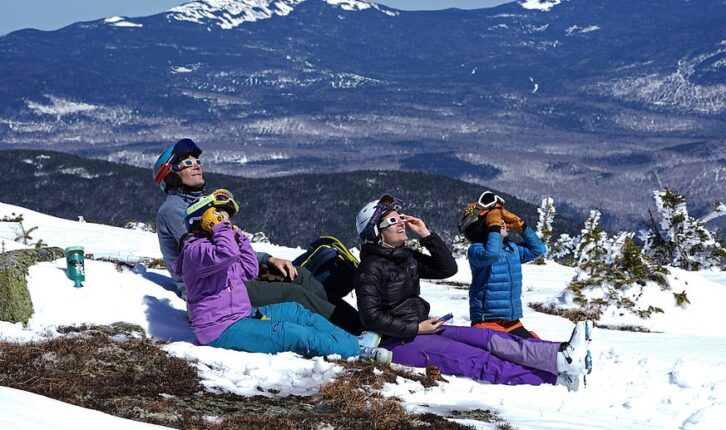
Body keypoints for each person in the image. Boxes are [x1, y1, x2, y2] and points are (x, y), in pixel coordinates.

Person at [354, 194, 592, 390]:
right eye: (392, 220)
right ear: (376, 232)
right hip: (398, 341)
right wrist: (416, 328)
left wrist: (426, 235)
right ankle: (558, 381)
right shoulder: (370, 268)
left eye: (399, 218)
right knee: (476, 360)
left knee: (490, 340)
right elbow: (371, 317)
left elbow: (446, 268)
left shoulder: (405, 257)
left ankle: (561, 357)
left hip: (423, 328)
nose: (400, 223)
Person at [152, 138, 363, 334]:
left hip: (231, 276)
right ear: (170, 176)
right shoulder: (172, 211)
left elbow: (229, 246)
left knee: (300, 276)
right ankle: (357, 332)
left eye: (197, 160)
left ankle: (359, 322)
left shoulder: (202, 204)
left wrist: (267, 260)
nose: (197, 165)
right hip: (215, 290)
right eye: (187, 162)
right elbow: (203, 258)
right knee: (293, 294)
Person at [174, 192, 389, 361]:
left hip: (241, 315)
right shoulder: (195, 251)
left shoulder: (214, 250)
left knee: (296, 312)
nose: (228, 222)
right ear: (204, 221)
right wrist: (222, 229)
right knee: (291, 332)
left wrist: (240, 239)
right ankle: (358, 352)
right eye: (220, 216)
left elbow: (249, 270)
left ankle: (352, 341)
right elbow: (227, 254)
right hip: (219, 329)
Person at [459, 191, 546, 338]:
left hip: (512, 321)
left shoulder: (512, 249)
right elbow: (491, 254)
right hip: (486, 321)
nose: (502, 223)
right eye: (497, 220)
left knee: (533, 347)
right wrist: (494, 228)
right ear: (484, 227)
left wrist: (521, 226)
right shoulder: (476, 250)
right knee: (512, 354)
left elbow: (538, 250)